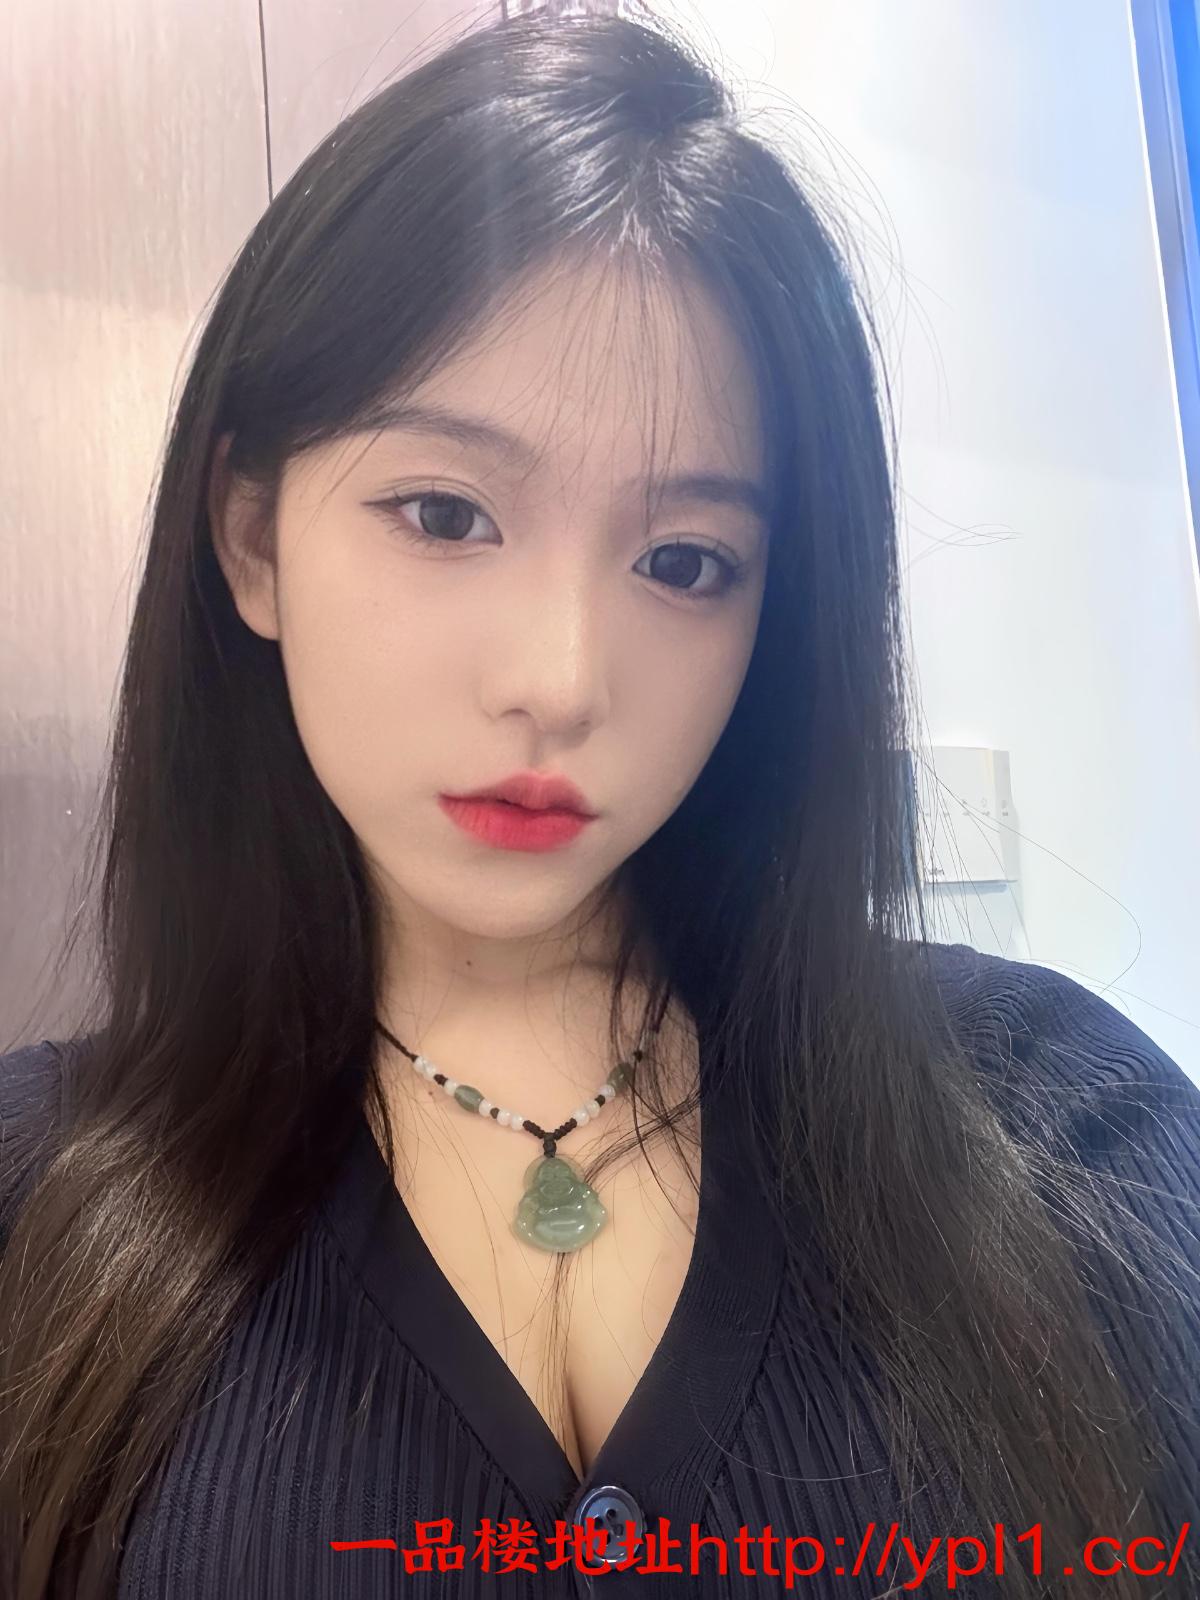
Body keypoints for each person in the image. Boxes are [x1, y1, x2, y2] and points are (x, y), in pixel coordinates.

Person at [1, 9, 1197, 1598]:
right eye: (447, 513)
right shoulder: (36, 1209)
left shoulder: (1063, 1133)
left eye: (684, 561)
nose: (562, 680)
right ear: (252, 538)